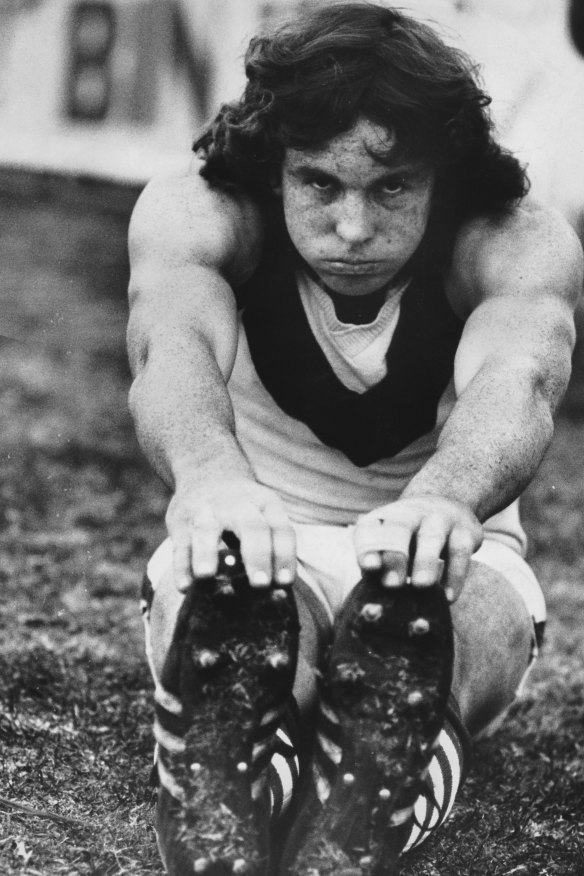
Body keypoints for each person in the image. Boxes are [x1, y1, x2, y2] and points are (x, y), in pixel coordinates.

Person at [126, 4, 582, 874]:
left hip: (443, 555)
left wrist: (446, 499)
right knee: (238, 597)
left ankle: (373, 788)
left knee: (457, 619)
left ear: (444, 175)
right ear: (274, 167)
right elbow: (167, 343)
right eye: (320, 184)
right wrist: (211, 480)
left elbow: (518, 376)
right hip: (257, 543)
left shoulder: (513, 241)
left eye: (392, 187)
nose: (353, 229)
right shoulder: (205, 214)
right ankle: (236, 776)